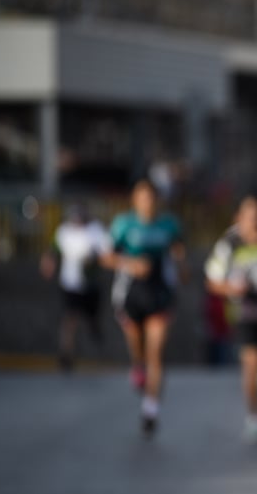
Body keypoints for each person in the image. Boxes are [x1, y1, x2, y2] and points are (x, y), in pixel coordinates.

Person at [204, 191, 257, 443]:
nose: (254, 219)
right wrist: (233, 289)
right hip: (245, 316)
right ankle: (255, 419)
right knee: (250, 366)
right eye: (248, 214)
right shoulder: (229, 244)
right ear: (239, 216)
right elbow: (211, 282)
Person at [105, 178, 187, 437]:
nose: (147, 203)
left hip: (160, 293)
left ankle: (150, 410)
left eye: (151, 198)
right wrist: (131, 264)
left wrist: (183, 266)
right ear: (134, 201)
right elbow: (106, 257)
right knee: (137, 346)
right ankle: (137, 366)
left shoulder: (169, 225)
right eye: (142, 198)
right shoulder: (123, 225)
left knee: (156, 353)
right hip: (130, 293)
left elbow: (179, 252)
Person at [39, 202, 112, 372]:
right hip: (70, 283)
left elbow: (107, 253)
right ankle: (66, 355)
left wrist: (93, 260)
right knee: (69, 319)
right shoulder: (63, 231)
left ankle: (96, 336)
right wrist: (48, 263)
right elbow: (53, 250)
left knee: (92, 318)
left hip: (91, 284)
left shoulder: (96, 230)